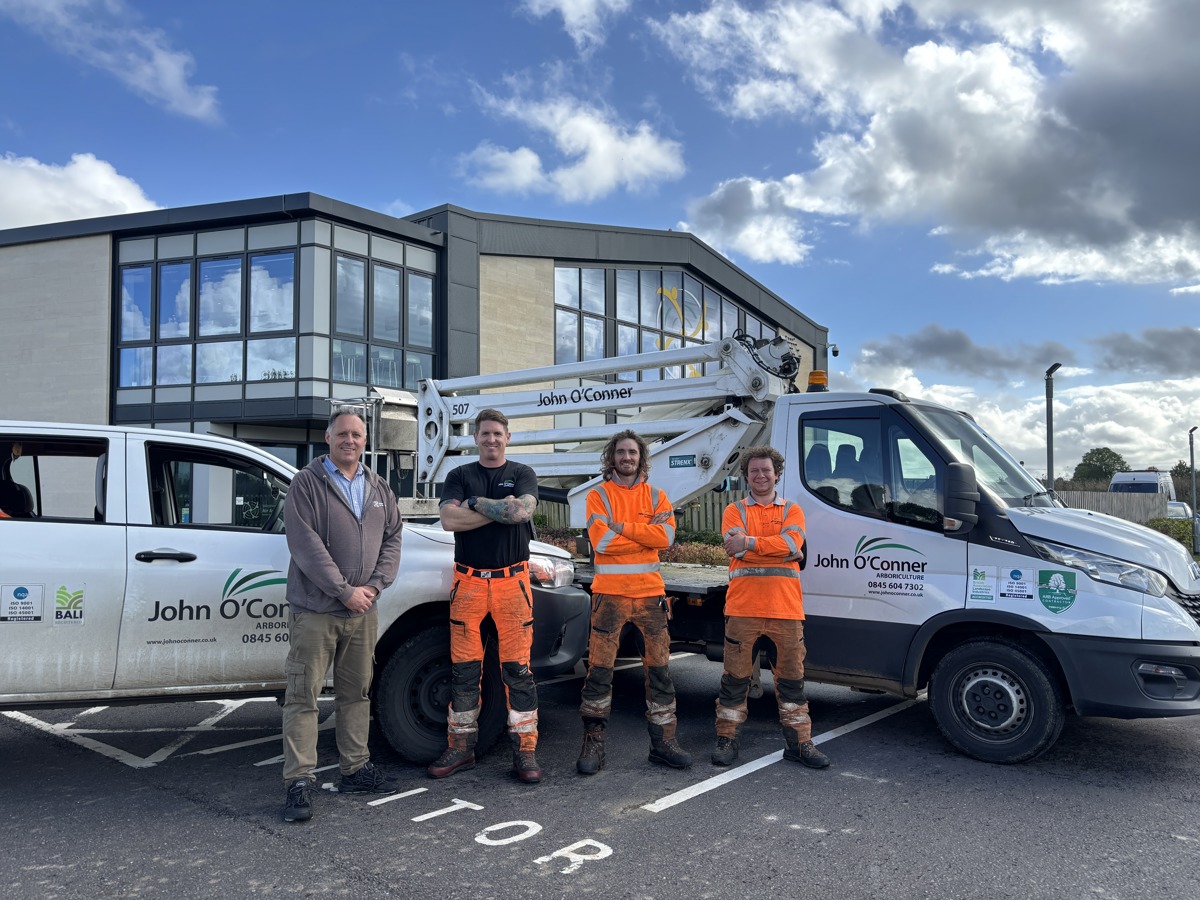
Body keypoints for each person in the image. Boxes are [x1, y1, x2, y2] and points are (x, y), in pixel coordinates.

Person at [280, 407, 404, 823]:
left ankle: (355, 769)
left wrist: (373, 587)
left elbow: (393, 537)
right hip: (317, 610)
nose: (350, 440)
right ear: (328, 439)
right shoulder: (306, 484)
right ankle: (299, 781)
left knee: (357, 694)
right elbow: (305, 545)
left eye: (357, 434)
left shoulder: (378, 487)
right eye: (342, 434)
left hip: (362, 610)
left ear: (365, 441)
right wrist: (343, 590)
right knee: (303, 696)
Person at [428, 408, 543, 784]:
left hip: (513, 582)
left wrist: (474, 504)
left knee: (518, 669)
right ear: (475, 438)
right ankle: (460, 747)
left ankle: (525, 751)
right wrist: (499, 510)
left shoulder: (522, 474)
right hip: (469, 582)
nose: (491, 439)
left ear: (507, 437)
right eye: (485, 434)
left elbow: (523, 512)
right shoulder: (459, 475)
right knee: (464, 669)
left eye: (497, 433)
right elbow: (449, 520)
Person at [576, 429, 692, 775]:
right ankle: (593, 745)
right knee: (598, 672)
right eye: (621, 452)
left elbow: (666, 537)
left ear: (641, 458)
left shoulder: (657, 495)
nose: (627, 458)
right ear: (612, 457)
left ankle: (663, 742)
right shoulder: (598, 495)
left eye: (633, 452)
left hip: (649, 597)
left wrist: (620, 527)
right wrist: (643, 534)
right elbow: (602, 543)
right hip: (609, 596)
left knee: (659, 672)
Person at [711, 446, 830, 770]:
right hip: (743, 608)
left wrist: (750, 543)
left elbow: (793, 544)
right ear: (746, 476)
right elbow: (780, 549)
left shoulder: (793, 510)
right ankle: (727, 739)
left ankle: (799, 744)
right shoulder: (733, 511)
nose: (760, 476)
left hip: (786, 611)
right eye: (754, 472)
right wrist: (782, 549)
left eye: (766, 471)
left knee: (792, 681)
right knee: (734, 679)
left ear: (777, 474)